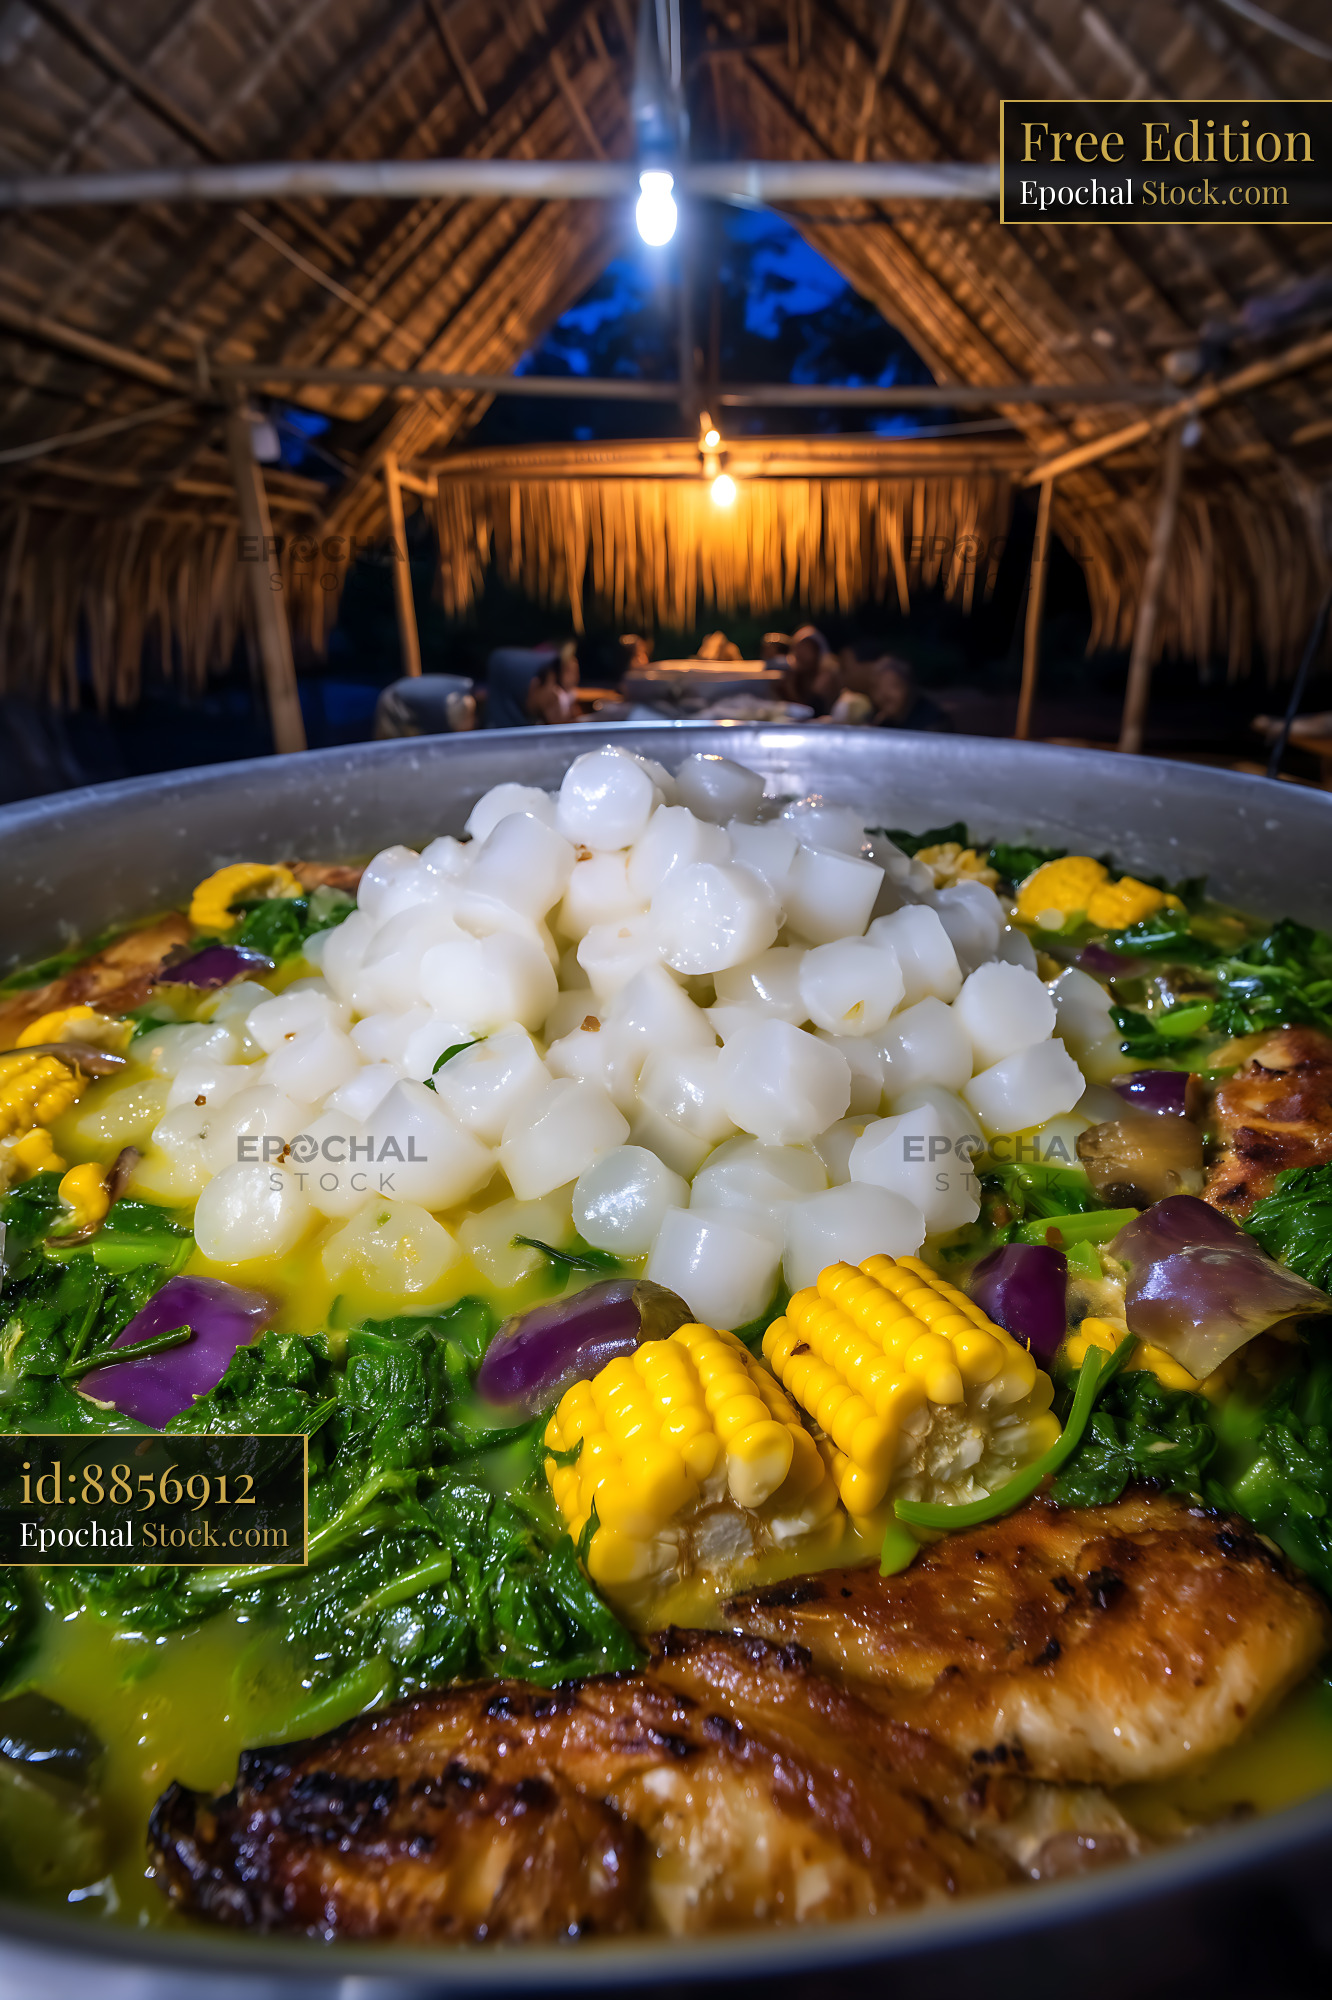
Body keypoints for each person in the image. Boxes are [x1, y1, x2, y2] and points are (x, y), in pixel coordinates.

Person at [483, 640, 580, 728]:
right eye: (556, 685)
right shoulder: (500, 740)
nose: (557, 693)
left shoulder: (532, 724)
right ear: (534, 684)